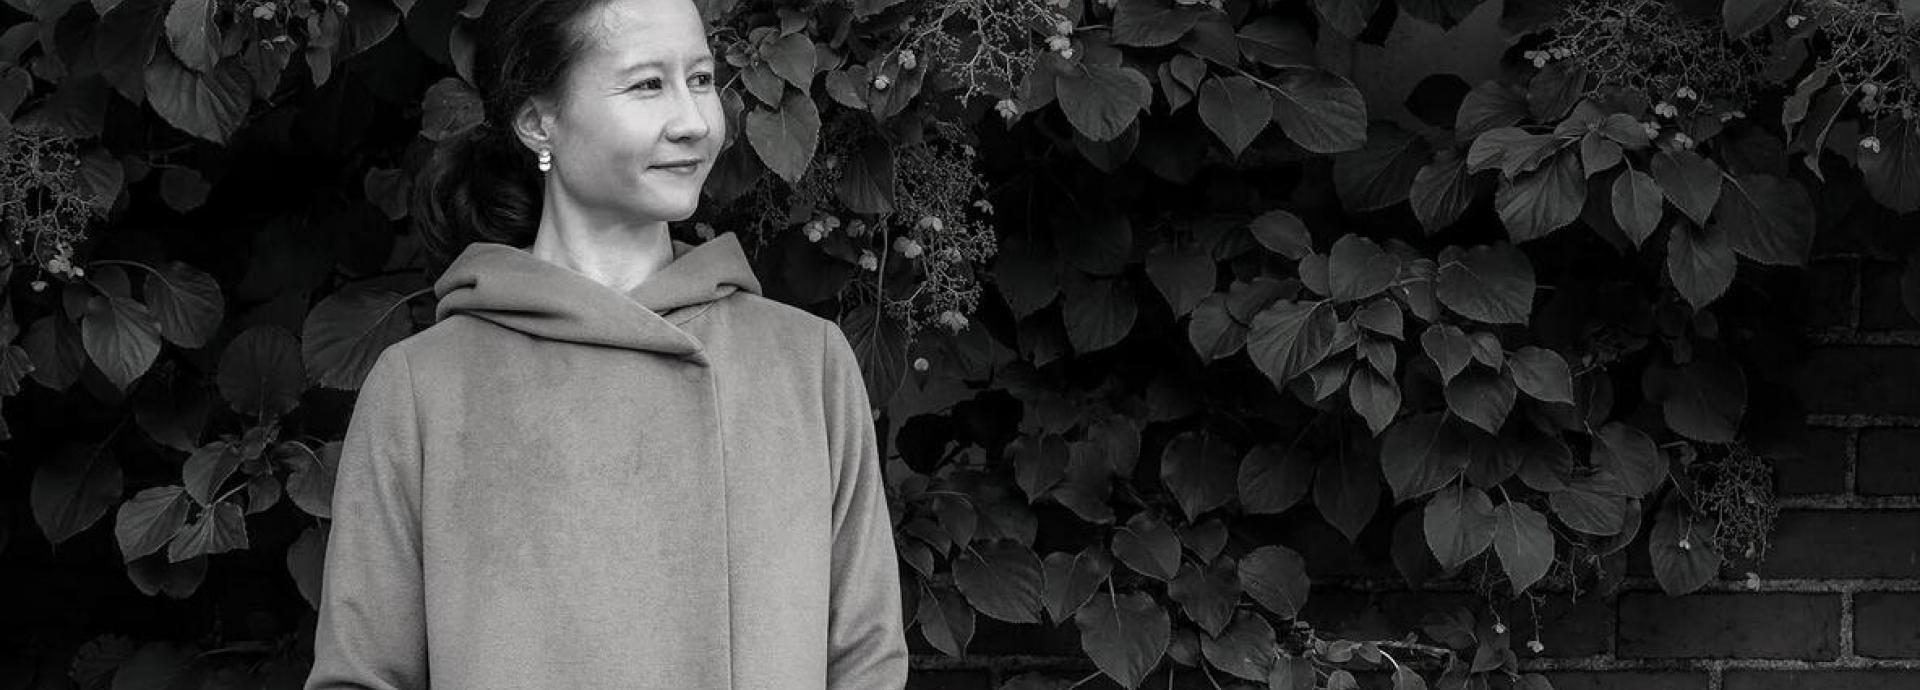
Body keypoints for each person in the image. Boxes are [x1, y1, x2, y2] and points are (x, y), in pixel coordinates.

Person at [302, 0, 909, 685]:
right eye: (648, 84)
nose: (692, 121)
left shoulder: (806, 365)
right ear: (539, 121)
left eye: (703, 79)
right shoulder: (426, 388)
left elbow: (867, 661)